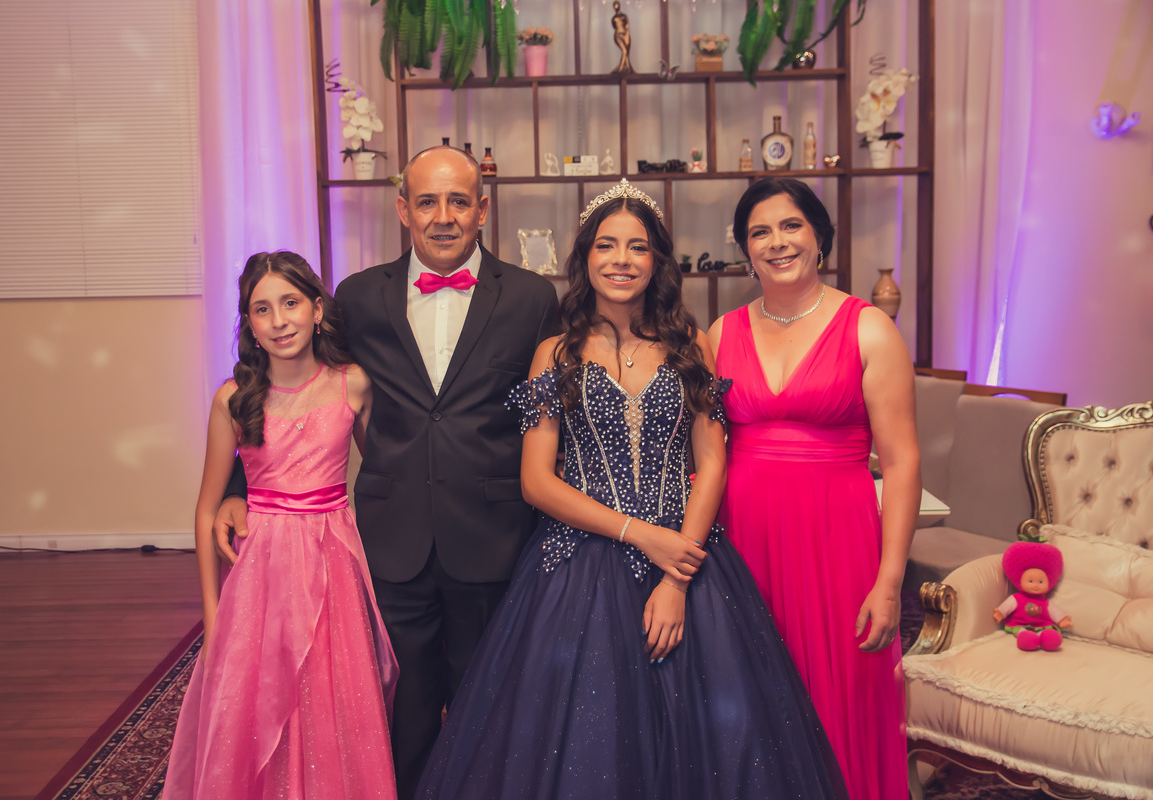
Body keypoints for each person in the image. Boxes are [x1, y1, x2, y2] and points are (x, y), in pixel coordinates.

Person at [414, 180, 849, 799]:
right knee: (583, 736)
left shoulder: (691, 345)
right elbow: (536, 482)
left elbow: (713, 464)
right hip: (579, 566)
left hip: (687, 558)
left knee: (718, 736)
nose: (621, 260)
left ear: (657, 260)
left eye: (638, 247)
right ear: (585, 257)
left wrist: (677, 578)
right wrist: (641, 535)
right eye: (607, 245)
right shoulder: (554, 354)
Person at [213, 147, 560, 799]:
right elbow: (295, 388)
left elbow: (555, 410)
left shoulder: (533, 298)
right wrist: (240, 486)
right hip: (389, 535)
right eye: (427, 201)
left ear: (483, 209)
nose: (443, 216)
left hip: (492, 533)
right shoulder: (358, 296)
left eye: (458, 201)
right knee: (400, 704)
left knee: (489, 699)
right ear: (403, 210)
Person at [710, 177, 920, 800]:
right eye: (760, 232)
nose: (777, 242)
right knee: (748, 699)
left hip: (837, 541)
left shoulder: (869, 328)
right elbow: (706, 452)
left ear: (819, 236)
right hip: (744, 541)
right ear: (745, 251)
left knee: (841, 694)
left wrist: (889, 581)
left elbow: (902, 463)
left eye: (791, 226)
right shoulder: (721, 333)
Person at [164, 251, 397, 798]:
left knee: (330, 691)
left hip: (332, 559)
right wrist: (211, 614)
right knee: (254, 695)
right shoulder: (233, 399)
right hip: (261, 569)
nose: (279, 321)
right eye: (262, 309)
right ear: (249, 324)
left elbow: (385, 475)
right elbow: (206, 507)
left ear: (317, 309)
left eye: (290, 303)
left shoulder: (353, 385)